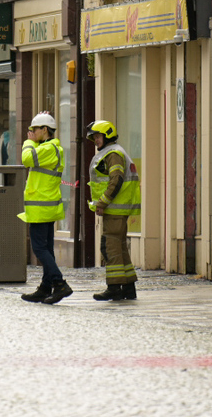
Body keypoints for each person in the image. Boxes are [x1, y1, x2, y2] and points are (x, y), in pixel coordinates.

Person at [18, 112, 71, 304]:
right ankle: (46, 287)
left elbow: (26, 159)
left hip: (41, 208)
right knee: (46, 249)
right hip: (44, 206)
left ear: (45, 130)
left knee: (39, 248)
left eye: (35, 129)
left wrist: (28, 142)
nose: (31, 133)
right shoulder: (49, 148)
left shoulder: (49, 149)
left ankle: (59, 283)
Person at [86, 120, 140, 301]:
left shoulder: (113, 154)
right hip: (116, 210)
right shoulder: (114, 152)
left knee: (111, 248)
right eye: (94, 137)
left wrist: (102, 202)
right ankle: (128, 288)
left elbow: (115, 180)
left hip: (115, 210)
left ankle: (115, 287)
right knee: (120, 247)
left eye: (98, 136)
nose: (96, 140)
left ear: (107, 135)